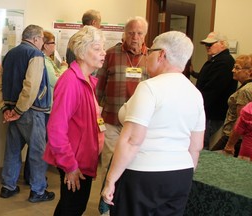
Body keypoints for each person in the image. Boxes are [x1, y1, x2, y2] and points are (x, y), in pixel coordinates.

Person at [101, 31, 205, 216]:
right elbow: (196, 146)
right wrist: (184, 173)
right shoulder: (195, 93)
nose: (146, 55)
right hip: (181, 173)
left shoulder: (150, 88)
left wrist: (111, 179)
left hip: (143, 174)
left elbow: (132, 140)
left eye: (149, 51)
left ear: (162, 54)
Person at [43, 25, 106, 215]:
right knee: (72, 208)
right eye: (97, 48)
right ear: (81, 51)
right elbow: (56, 128)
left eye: (103, 48)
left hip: (84, 158)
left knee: (70, 207)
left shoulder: (88, 80)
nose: (103, 53)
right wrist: (70, 165)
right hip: (75, 161)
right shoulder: (70, 82)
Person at [0, 24, 55, 202]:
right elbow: (31, 86)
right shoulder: (35, 54)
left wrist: (6, 109)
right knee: (37, 152)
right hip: (31, 111)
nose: (43, 42)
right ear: (35, 39)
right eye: (42, 38)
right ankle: (38, 191)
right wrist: (20, 110)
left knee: (12, 150)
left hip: (12, 110)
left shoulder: (9, 54)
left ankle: (8, 186)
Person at [96, 16, 149, 178]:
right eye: (131, 33)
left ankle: (123, 202)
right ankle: (106, 200)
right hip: (111, 122)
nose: (135, 37)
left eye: (139, 33)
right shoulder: (111, 54)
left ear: (145, 35)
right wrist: (96, 114)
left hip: (138, 123)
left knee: (134, 165)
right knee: (109, 163)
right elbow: (99, 87)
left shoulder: (151, 57)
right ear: (125, 33)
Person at [23, 30, 68, 185]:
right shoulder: (43, 59)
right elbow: (55, 81)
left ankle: (35, 176)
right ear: (45, 45)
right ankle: (34, 178)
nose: (54, 46)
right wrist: (63, 68)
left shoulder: (48, 60)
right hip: (44, 108)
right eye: (52, 43)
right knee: (38, 145)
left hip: (48, 107)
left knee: (39, 144)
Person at [190, 32, 238, 149]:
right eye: (206, 44)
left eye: (210, 44)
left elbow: (213, 89)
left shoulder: (224, 62)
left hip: (212, 112)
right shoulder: (217, 60)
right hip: (208, 110)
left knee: (200, 144)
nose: (207, 47)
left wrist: (197, 106)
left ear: (222, 44)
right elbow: (209, 78)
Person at [211, 54, 252, 156]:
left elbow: (240, 120)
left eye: (237, 68)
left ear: (249, 72)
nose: (233, 70)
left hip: (233, 137)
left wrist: (230, 144)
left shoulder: (245, 91)